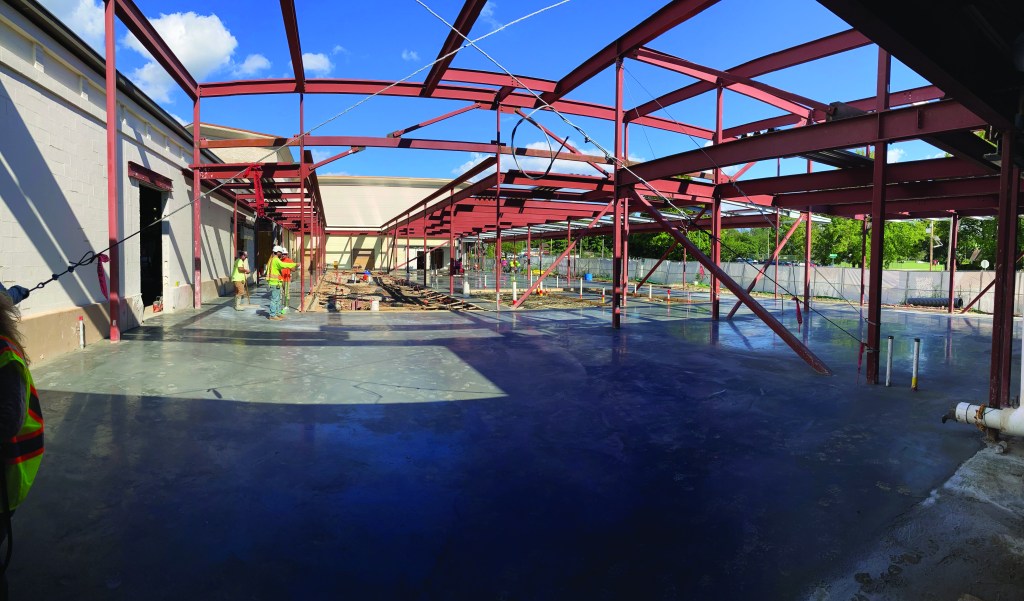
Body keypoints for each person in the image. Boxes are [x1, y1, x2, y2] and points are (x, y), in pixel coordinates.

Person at [0, 283, 44, 599]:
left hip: (7, 476)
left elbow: (8, 421)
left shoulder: (5, 356)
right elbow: (7, 297)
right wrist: (18, 292)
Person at [265, 246, 297, 321]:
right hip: (275, 282)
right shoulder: (276, 260)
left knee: (278, 299)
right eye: (281, 253)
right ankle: (273, 315)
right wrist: (295, 264)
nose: (282, 254)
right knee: (274, 299)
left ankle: (277, 313)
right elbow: (283, 265)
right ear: (278, 252)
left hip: (277, 282)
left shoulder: (272, 259)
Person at [279, 249, 293, 315]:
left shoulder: (289, 261)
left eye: (285, 254)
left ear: (287, 254)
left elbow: (293, 269)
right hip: (280, 279)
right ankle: (281, 306)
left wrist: (289, 266)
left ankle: (286, 306)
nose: (283, 255)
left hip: (287, 279)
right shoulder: (279, 261)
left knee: (286, 293)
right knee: (281, 293)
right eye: (282, 254)